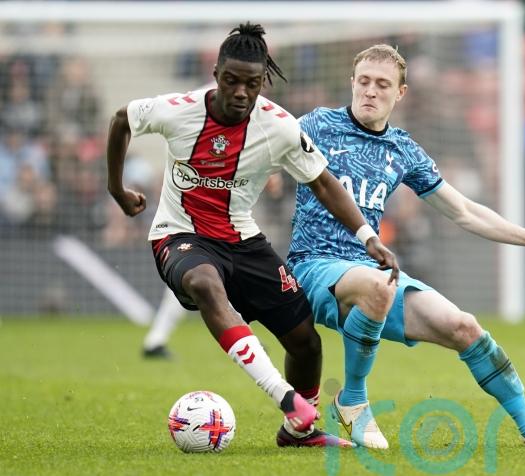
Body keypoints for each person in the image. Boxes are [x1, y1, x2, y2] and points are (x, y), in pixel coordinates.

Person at [106, 24, 400, 448]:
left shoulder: (278, 126)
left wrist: (368, 236)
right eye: (232, 80)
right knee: (203, 282)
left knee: (304, 340)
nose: (241, 92)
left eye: (252, 83)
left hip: (243, 240)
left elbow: (323, 182)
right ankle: (286, 398)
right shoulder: (179, 110)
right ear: (216, 74)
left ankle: (300, 431)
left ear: (263, 81)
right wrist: (117, 189)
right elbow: (122, 119)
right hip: (179, 233)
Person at [287, 44, 525, 449]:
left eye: (382, 84)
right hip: (314, 266)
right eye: (364, 81)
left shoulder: (402, 149)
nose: (370, 91)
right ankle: (353, 399)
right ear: (352, 82)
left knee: (464, 326)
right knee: (379, 285)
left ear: (400, 93)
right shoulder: (316, 124)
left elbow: (463, 210)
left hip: (370, 269)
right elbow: (262, 149)